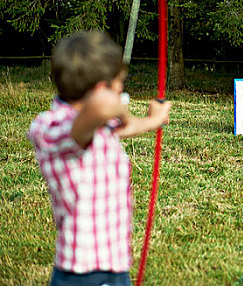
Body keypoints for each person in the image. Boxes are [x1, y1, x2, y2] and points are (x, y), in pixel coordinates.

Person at [28, 31, 172, 286]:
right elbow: (103, 107)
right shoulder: (52, 127)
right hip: (83, 272)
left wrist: (154, 120)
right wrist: (117, 104)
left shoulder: (95, 123)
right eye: (120, 82)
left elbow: (118, 126)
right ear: (100, 87)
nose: (121, 88)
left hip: (113, 263)